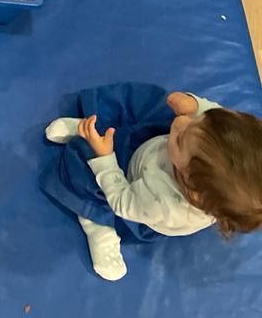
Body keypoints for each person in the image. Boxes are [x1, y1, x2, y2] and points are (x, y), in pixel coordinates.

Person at [40, 83, 262, 281]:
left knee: (86, 176)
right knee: (153, 103)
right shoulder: (213, 142)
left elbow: (121, 201)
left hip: (131, 189)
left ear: (190, 187)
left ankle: (99, 226)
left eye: (181, 138)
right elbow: (213, 115)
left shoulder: (162, 204)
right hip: (152, 149)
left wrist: (105, 158)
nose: (182, 122)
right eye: (201, 123)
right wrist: (195, 106)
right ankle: (92, 125)